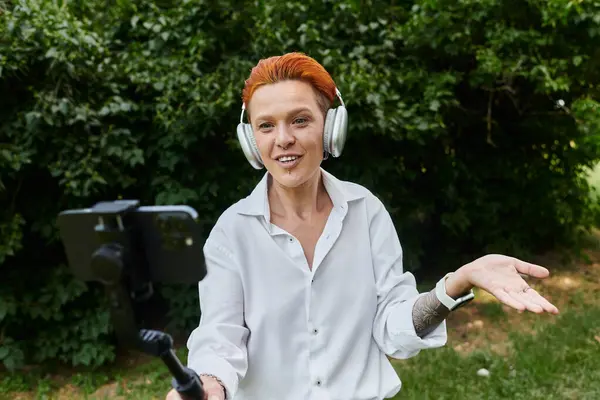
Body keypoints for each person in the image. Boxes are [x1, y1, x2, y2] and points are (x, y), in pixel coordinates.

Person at [166, 52, 559, 400]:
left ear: (331, 127)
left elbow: (391, 325)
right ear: (250, 140)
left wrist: (457, 282)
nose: (283, 139)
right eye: (266, 126)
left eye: (300, 120)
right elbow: (221, 335)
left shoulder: (366, 210)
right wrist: (210, 383)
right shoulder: (231, 231)